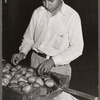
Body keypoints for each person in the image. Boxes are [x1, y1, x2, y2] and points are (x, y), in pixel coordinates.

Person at [11, 0, 84, 99]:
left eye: (51, 1)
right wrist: (23, 52)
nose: (46, 5)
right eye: (44, 0)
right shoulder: (38, 13)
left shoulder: (71, 16)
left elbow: (77, 48)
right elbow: (29, 38)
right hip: (35, 63)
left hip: (59, 68)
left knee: (58, 97)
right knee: (35, 96)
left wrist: (53, 61)